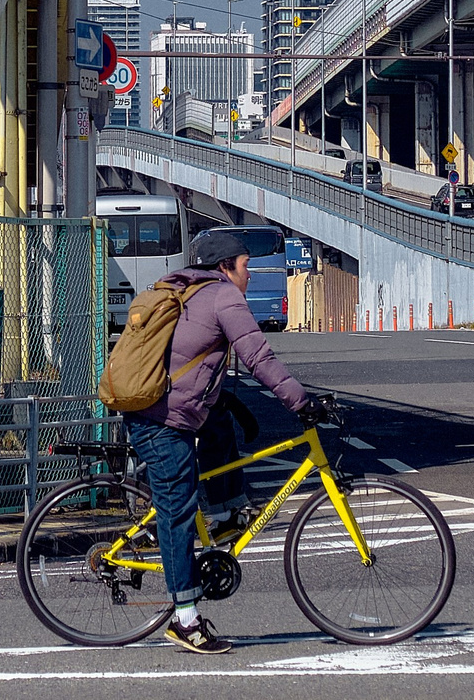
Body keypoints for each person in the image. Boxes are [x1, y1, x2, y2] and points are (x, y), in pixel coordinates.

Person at [124, 227, 322, 656]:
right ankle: (185, 620)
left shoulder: (193, 291)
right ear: (225, 266)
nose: (250, 275)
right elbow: (258, 357)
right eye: (246, 266)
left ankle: (225, 514)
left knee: (220, 424)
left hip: (167, 410)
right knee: (178, 512)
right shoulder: (223, 295)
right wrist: (301, 402)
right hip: (161, 421)